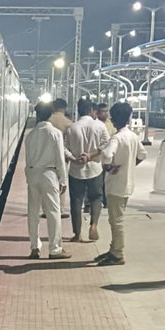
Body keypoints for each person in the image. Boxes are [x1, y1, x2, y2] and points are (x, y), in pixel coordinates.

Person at [97, 100, 146, 266]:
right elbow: (142, 154)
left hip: (115, 185)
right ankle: (113, 249)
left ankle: (117, 254)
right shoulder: (133, 136)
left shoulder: (116, 138)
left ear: (113, 119)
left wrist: (110, 168)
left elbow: (106, 157)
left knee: (116, 221)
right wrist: (129, 165)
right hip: (128, 183)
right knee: (117, 219)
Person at [25, 102, 71, 260]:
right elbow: (60, 157)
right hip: (49, 174)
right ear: (50, 114)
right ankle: (55, 249)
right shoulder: (55, 133)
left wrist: (29, 177)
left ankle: (34, 248)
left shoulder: (30, 135)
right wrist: (63, 179)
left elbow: (27, 159)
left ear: (37, 115)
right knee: (53, 212)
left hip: (33, 173)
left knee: (33, 212)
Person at [65, 95, 110, 243]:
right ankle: (94, 225)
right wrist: (90, 155)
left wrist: (74, 158)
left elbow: (63, 148)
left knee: (76, 202)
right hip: (95, 169)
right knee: (96, 198)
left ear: (78, 111)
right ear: (92, 110)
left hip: (76, 170)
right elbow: (106, 144)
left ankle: (77, 234)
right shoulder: (100, 126)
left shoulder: (72, 128)